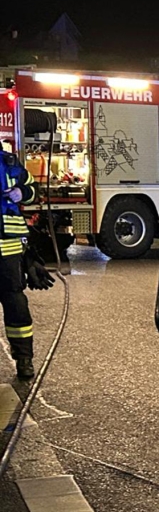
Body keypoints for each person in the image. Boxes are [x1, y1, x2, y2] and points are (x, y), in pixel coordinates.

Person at [1, 150, 53, 380]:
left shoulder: (8, 161)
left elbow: (34, 192)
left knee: (16, 305)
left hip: (9, 249)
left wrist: (22, 192)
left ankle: (24, 359)